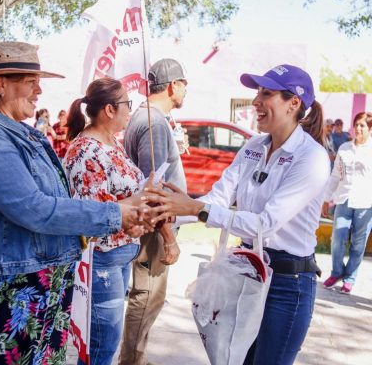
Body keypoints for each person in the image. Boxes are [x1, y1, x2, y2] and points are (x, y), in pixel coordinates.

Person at [0, 41, 150, 364]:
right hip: (14, 293)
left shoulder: (24, 134)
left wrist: (125, 209)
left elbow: (58, 201)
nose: (39, 90)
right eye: (30, 81)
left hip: (44, 289)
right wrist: (115, 213)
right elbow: (35, 208)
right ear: (0, 84)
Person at [144, 64, 330, 365]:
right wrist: (168, 212)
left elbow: (264, 224)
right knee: (232, 360)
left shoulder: (312, 158)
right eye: (257, 93)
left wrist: (196, 208)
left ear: (294, 103)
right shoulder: (254, 146)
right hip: (245, 274)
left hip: (287, 284)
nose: (255, 102)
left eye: (266, 94)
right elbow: (218, 197)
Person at [65, 77, 166, 365]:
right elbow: (94, 213)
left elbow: (117, 199)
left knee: (106, 344)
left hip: (118, 255)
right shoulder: (86, 150)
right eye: (126, 104)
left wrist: (140, 214)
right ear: (109, 109)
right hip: (102, 260)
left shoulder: (111, 143)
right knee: (102, 347)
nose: (129, 111)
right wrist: (132, 217)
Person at [119, 58, 187, 365]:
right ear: (174, 86)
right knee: (147, 298)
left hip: (151, 225)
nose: (186, 91)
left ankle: (136, 357)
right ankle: (132, 360)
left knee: (146, 297)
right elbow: (154, 187)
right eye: (185, 84)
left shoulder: (148, 118)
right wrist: (169, 237)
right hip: (154, 229)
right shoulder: (153, 122)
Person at [322, 112, 372, 294]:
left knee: (358, 245)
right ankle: (336, 272)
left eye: (363, 126)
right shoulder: (344, 148)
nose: (358, 128)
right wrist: (326, 199)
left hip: (366, 204)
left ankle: (350, 278)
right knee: (337, 240)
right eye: (356, 124)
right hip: (343, 199)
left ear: (370, 129)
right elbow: (335, 176)